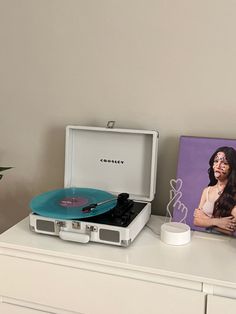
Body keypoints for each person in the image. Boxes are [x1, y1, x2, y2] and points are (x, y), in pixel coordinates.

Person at [194, 146, 236, 235]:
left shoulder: (234, 193)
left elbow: (230, 230)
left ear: (232, 168)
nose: (218, 165)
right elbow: (196, 220)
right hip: (205, 238)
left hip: (226, 242)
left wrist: (205, 220)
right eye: (216, 161)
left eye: (224, 162)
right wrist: (217, 222)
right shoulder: (207, 191)